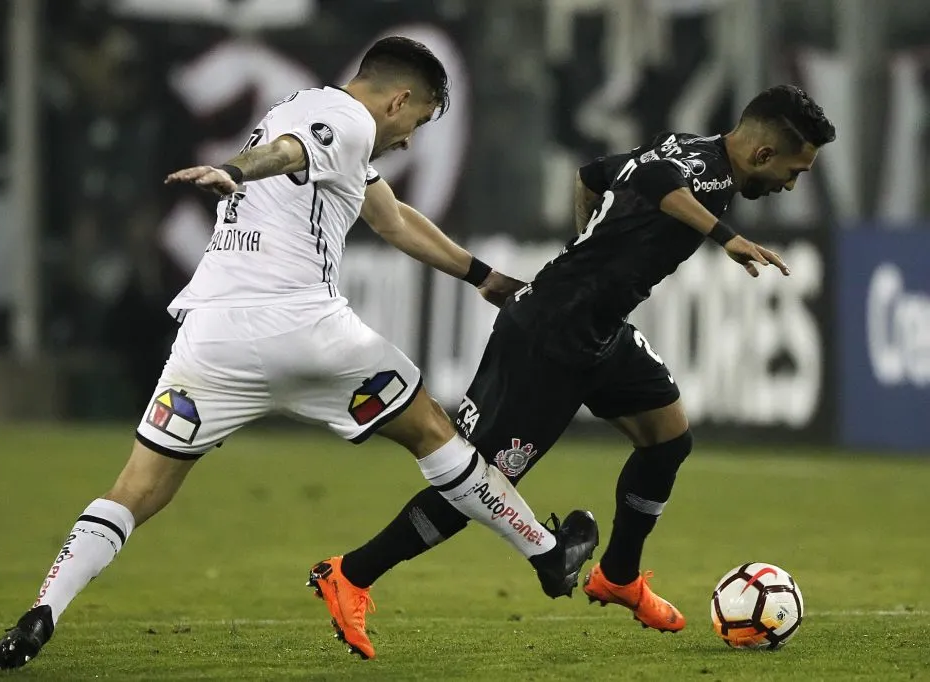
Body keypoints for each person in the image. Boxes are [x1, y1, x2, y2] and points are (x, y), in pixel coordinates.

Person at [0, 36, 598, 670]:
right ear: (400, 100)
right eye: (418, 121)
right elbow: (292, 152)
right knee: (435, 433)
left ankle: (42, 613)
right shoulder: (349, 122)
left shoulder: (300, 107)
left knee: (134, 491)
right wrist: (235, 170)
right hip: (305, 332)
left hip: (212, 343)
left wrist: (483, 277)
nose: (410, 139)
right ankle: (549, 555)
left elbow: (392, 220)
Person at [312, 85, 836, 657]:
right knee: (480, 484)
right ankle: (351, 574)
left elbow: (592, 173)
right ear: (764, 154)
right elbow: (653, 183)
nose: (791, 183)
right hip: (545, 339)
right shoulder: (704, 172)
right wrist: (725, 237)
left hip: (600, 333)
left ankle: (619, 576)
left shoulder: (692, 150)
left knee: (667, 438)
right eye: (796, 169)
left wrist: (585, 241)